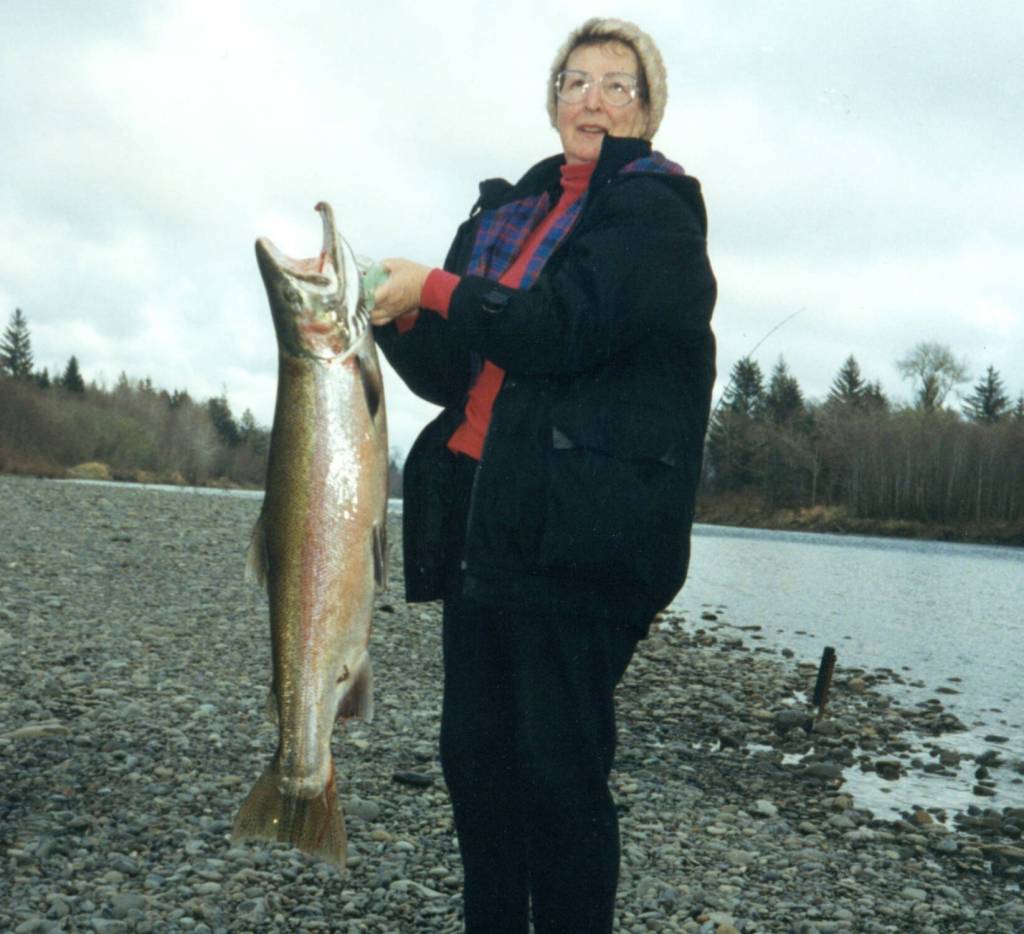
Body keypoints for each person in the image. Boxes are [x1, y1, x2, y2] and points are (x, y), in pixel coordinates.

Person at [370, 17, 716, 934]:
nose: (592, 100)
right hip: (486, 521)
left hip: (583, 534)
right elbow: (453, 370)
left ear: (648, 109)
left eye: (617, 84)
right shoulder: (506, 215)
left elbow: (560, 327)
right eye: (575, 82)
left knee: (558, 775)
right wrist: (394, 316)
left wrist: (431, 287)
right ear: (554, 100)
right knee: (476, 764)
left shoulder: (654, 211)